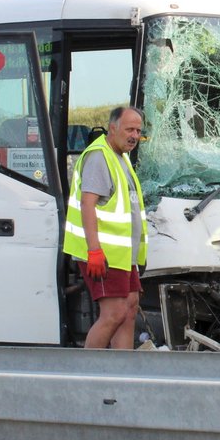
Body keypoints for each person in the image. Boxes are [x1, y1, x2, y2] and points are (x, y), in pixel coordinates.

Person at [63, 106, 148, 349]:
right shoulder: (100, 156)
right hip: (104, 255)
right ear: (112, 128)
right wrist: (94, 251)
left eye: (138, 131)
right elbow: (87, 204)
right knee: (114, 313)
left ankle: (122, 373)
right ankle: (88, 374)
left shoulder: (120, 157)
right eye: (129, 129)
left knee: (129, 307)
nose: (134, 135)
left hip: (122, 256)